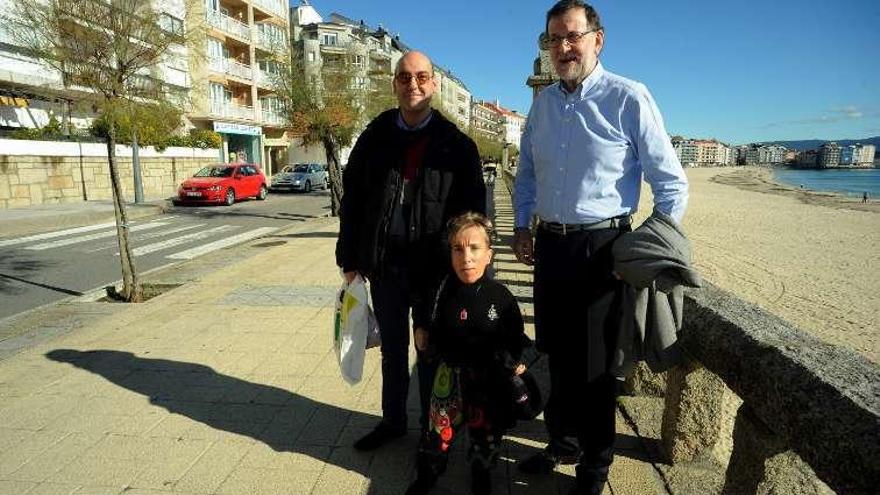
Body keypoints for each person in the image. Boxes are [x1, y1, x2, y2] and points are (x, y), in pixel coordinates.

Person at [512, 2, 689, 494]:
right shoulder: (543, 104)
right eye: (553, 39)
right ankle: (561, 443)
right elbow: (526, 173)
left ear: (597, 39)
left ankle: (596, 466)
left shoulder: (629, 97)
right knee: (555, 354)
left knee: (595, 366)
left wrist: (640, 250)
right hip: (551, 246)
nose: (563, 48)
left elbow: (671, 185)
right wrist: (522, 226)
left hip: (604, 248)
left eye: (572, 36)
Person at [336, 51, 486, 452]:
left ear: (433, 84)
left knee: (430, 351)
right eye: (404, 77)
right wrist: (349, 260)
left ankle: (432, 430)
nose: (413, 84)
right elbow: (352, 202)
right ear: (395, 84)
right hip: (385, 265)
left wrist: (469, 272)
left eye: (421, 77)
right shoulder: (375, 137)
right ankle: (393, 421)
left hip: (433, 271)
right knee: (391, 351)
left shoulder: (456, 145)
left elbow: (474, 217)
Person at [406, 212, 532, 495]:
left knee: (485, 436)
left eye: (475, 248)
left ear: (489, 254)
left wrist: (517, 362)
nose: (467, 258)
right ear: (450, 254)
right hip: (448, 377)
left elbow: (516, 335)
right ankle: (427, 475)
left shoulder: (501, 297)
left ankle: (481, 474)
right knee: (437, 434)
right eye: (458, 249)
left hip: (488, 380)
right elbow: (428, 318)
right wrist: (422, 330)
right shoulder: (441, 291)